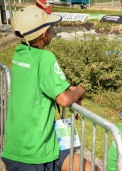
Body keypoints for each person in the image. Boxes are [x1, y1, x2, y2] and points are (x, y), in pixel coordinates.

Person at [1, 5, 100, 171]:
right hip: (34, 153)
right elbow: (64, 99)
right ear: (43, 35)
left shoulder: (20, 52)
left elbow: (44, 83)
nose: (52, 31)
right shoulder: (45, 57)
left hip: (22, 143)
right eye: (50, 28)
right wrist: (80, 90)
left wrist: (70, 89)